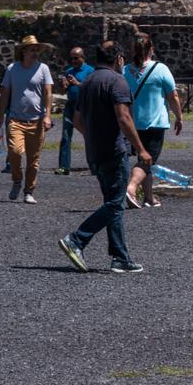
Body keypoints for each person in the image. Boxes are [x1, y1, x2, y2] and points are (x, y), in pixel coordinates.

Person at [60, 41, 151, 275]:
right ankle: (77, 239)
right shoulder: (116, 81)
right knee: (116, 203)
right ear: (119, 58)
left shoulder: (87, 82)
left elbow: (77, 120)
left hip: (94, 151)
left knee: (113, 202)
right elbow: (124, 118)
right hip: (113, 150)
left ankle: (120, 257)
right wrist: (140, 148)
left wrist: (93, 136)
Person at [124, 34, 183, 208]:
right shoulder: (160, 69)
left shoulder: (126, 70)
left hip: (132, 124)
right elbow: (173, 96)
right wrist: (179, 117)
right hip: (154, 123)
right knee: (147, 160)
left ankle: (149, 197)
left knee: (146, 161)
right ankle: (131, 188)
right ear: (152, 49)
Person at [0, 34, 53, 203]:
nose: (35, 52)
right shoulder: (12, 69)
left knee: (33, 160)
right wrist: (1, 115)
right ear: (23, 51)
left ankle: (29, 191)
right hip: (15, 119)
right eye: (32, 49)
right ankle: (17, 180)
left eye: (37, 49)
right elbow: (5, 92)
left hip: (37, 120)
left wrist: (48, 116)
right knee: (14, 151)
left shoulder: (43, 68)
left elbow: (48, 92)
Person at [56, 44, 93, 174]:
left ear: (83, 57)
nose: (73, 61)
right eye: (71, 59)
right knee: (66, 135)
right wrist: (63, 85)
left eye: (76, 58)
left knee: (89, 135)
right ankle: (64, 166)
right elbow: (62, 91)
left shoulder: (90, 71)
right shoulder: (68, 71)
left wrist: (77, 83)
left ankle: (94, 165)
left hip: (85, 105)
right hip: (71, 105)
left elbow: (91, 89)